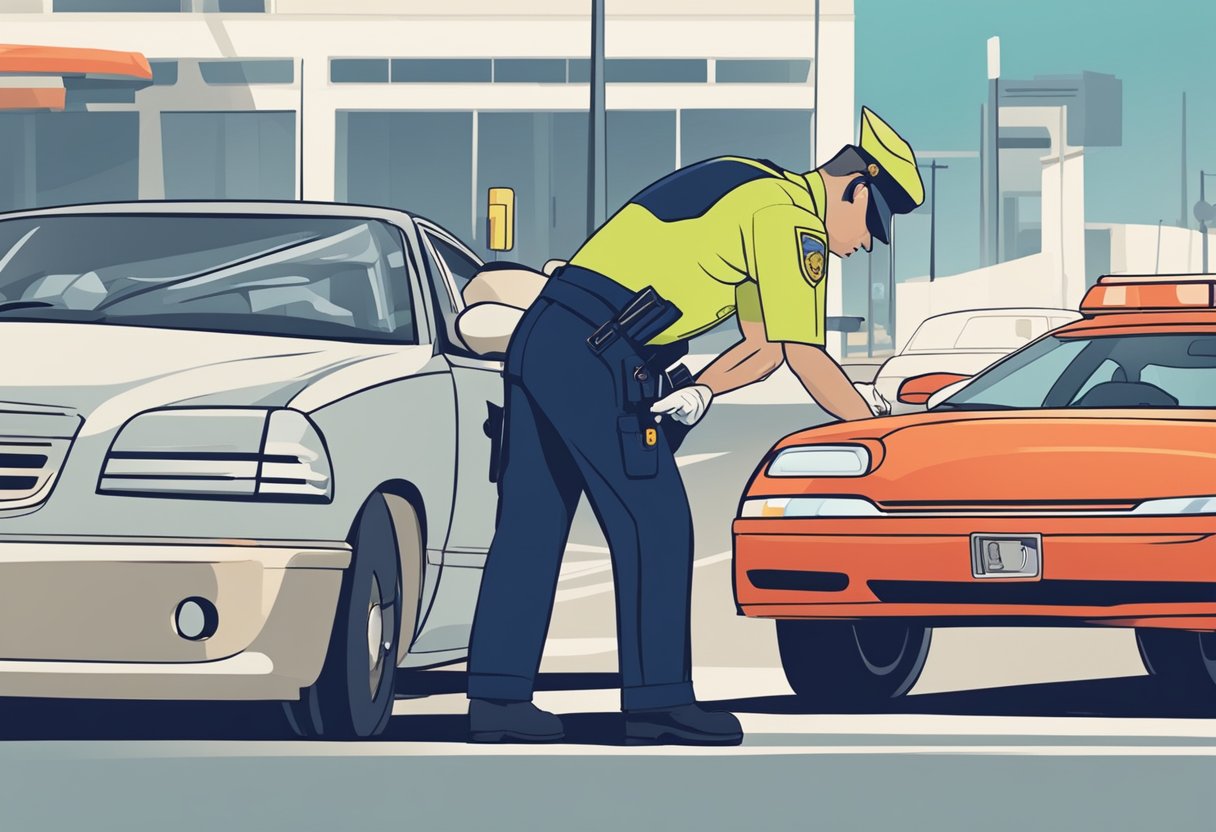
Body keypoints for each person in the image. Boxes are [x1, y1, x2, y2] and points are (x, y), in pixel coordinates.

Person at [466, 107, 925, 745]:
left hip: (548, 337)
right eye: (871, 221)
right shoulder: (792, 219)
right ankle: (657, 706)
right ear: (851, 187)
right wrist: (877, 429)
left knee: (531, 525)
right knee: (656, 525)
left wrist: (705, 387)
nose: (867, 242)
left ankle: (497, 700)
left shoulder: (753, 184)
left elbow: (762, 345)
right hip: (600, 352)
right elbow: (804, 353)